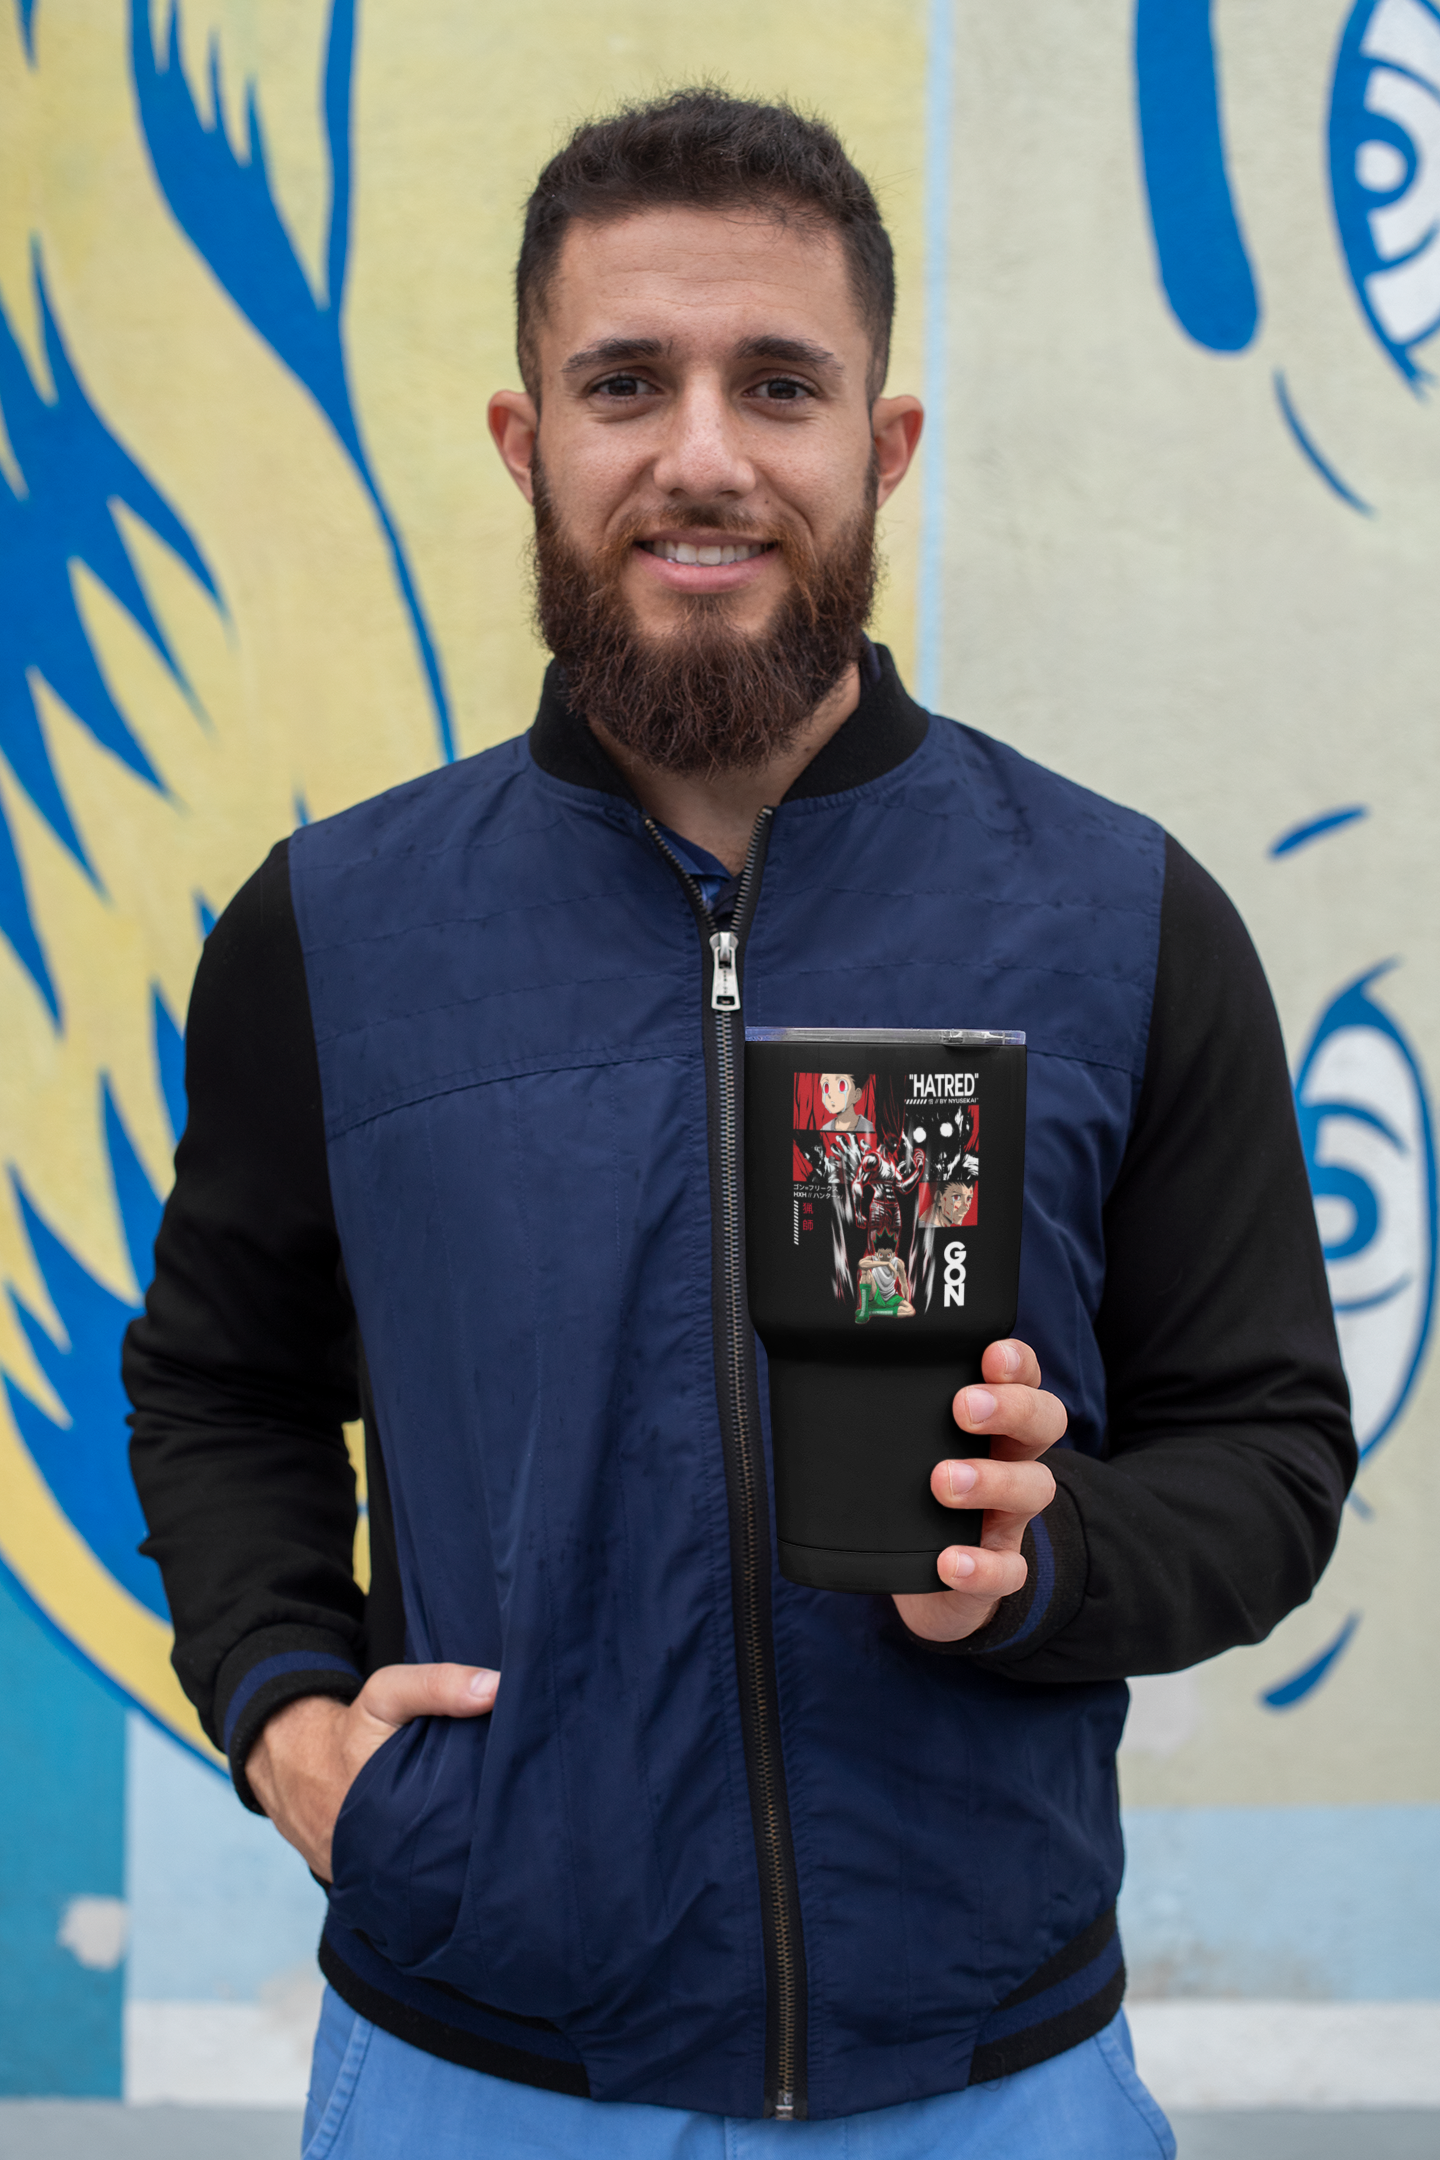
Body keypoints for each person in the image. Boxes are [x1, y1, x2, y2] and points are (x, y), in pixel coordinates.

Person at [124, 89, 1354, 2159]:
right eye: (627, 384)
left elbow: (1270, 1451)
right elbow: (216, 1385)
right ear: (530, 445)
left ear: (880, 450)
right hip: (474, 2076)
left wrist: (1047, 1564)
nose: (702, 454)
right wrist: (284, 1712)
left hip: (995, 2085)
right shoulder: (331, 935)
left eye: (777, 384)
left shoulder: (1119, 916)